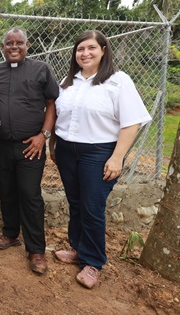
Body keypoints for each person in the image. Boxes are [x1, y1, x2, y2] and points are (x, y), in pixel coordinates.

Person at [50, 30, 151, 289]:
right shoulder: (68, 81)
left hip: (98, 153)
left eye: (91, 48)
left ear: (103, 50)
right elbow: (59, 116)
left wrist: (117, 158)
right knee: (75, 202)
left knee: (92, 207)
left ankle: (93, 261)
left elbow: (132, 122)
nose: (85, 53)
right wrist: (54, 144)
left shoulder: (118, 81)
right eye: (80, 49)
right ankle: (77, 249)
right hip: (67, 151)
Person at [0, 28, 59, 275]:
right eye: (8, 43)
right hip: (2, 144)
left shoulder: (41, 70)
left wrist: (43, 136)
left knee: (30, 195)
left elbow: (51, 104)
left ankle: (36, 249)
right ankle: (10, 234)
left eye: (19, 43)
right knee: (6, 191)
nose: (13, 47)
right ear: (2, 47)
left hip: (32, 146)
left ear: (28, 45)